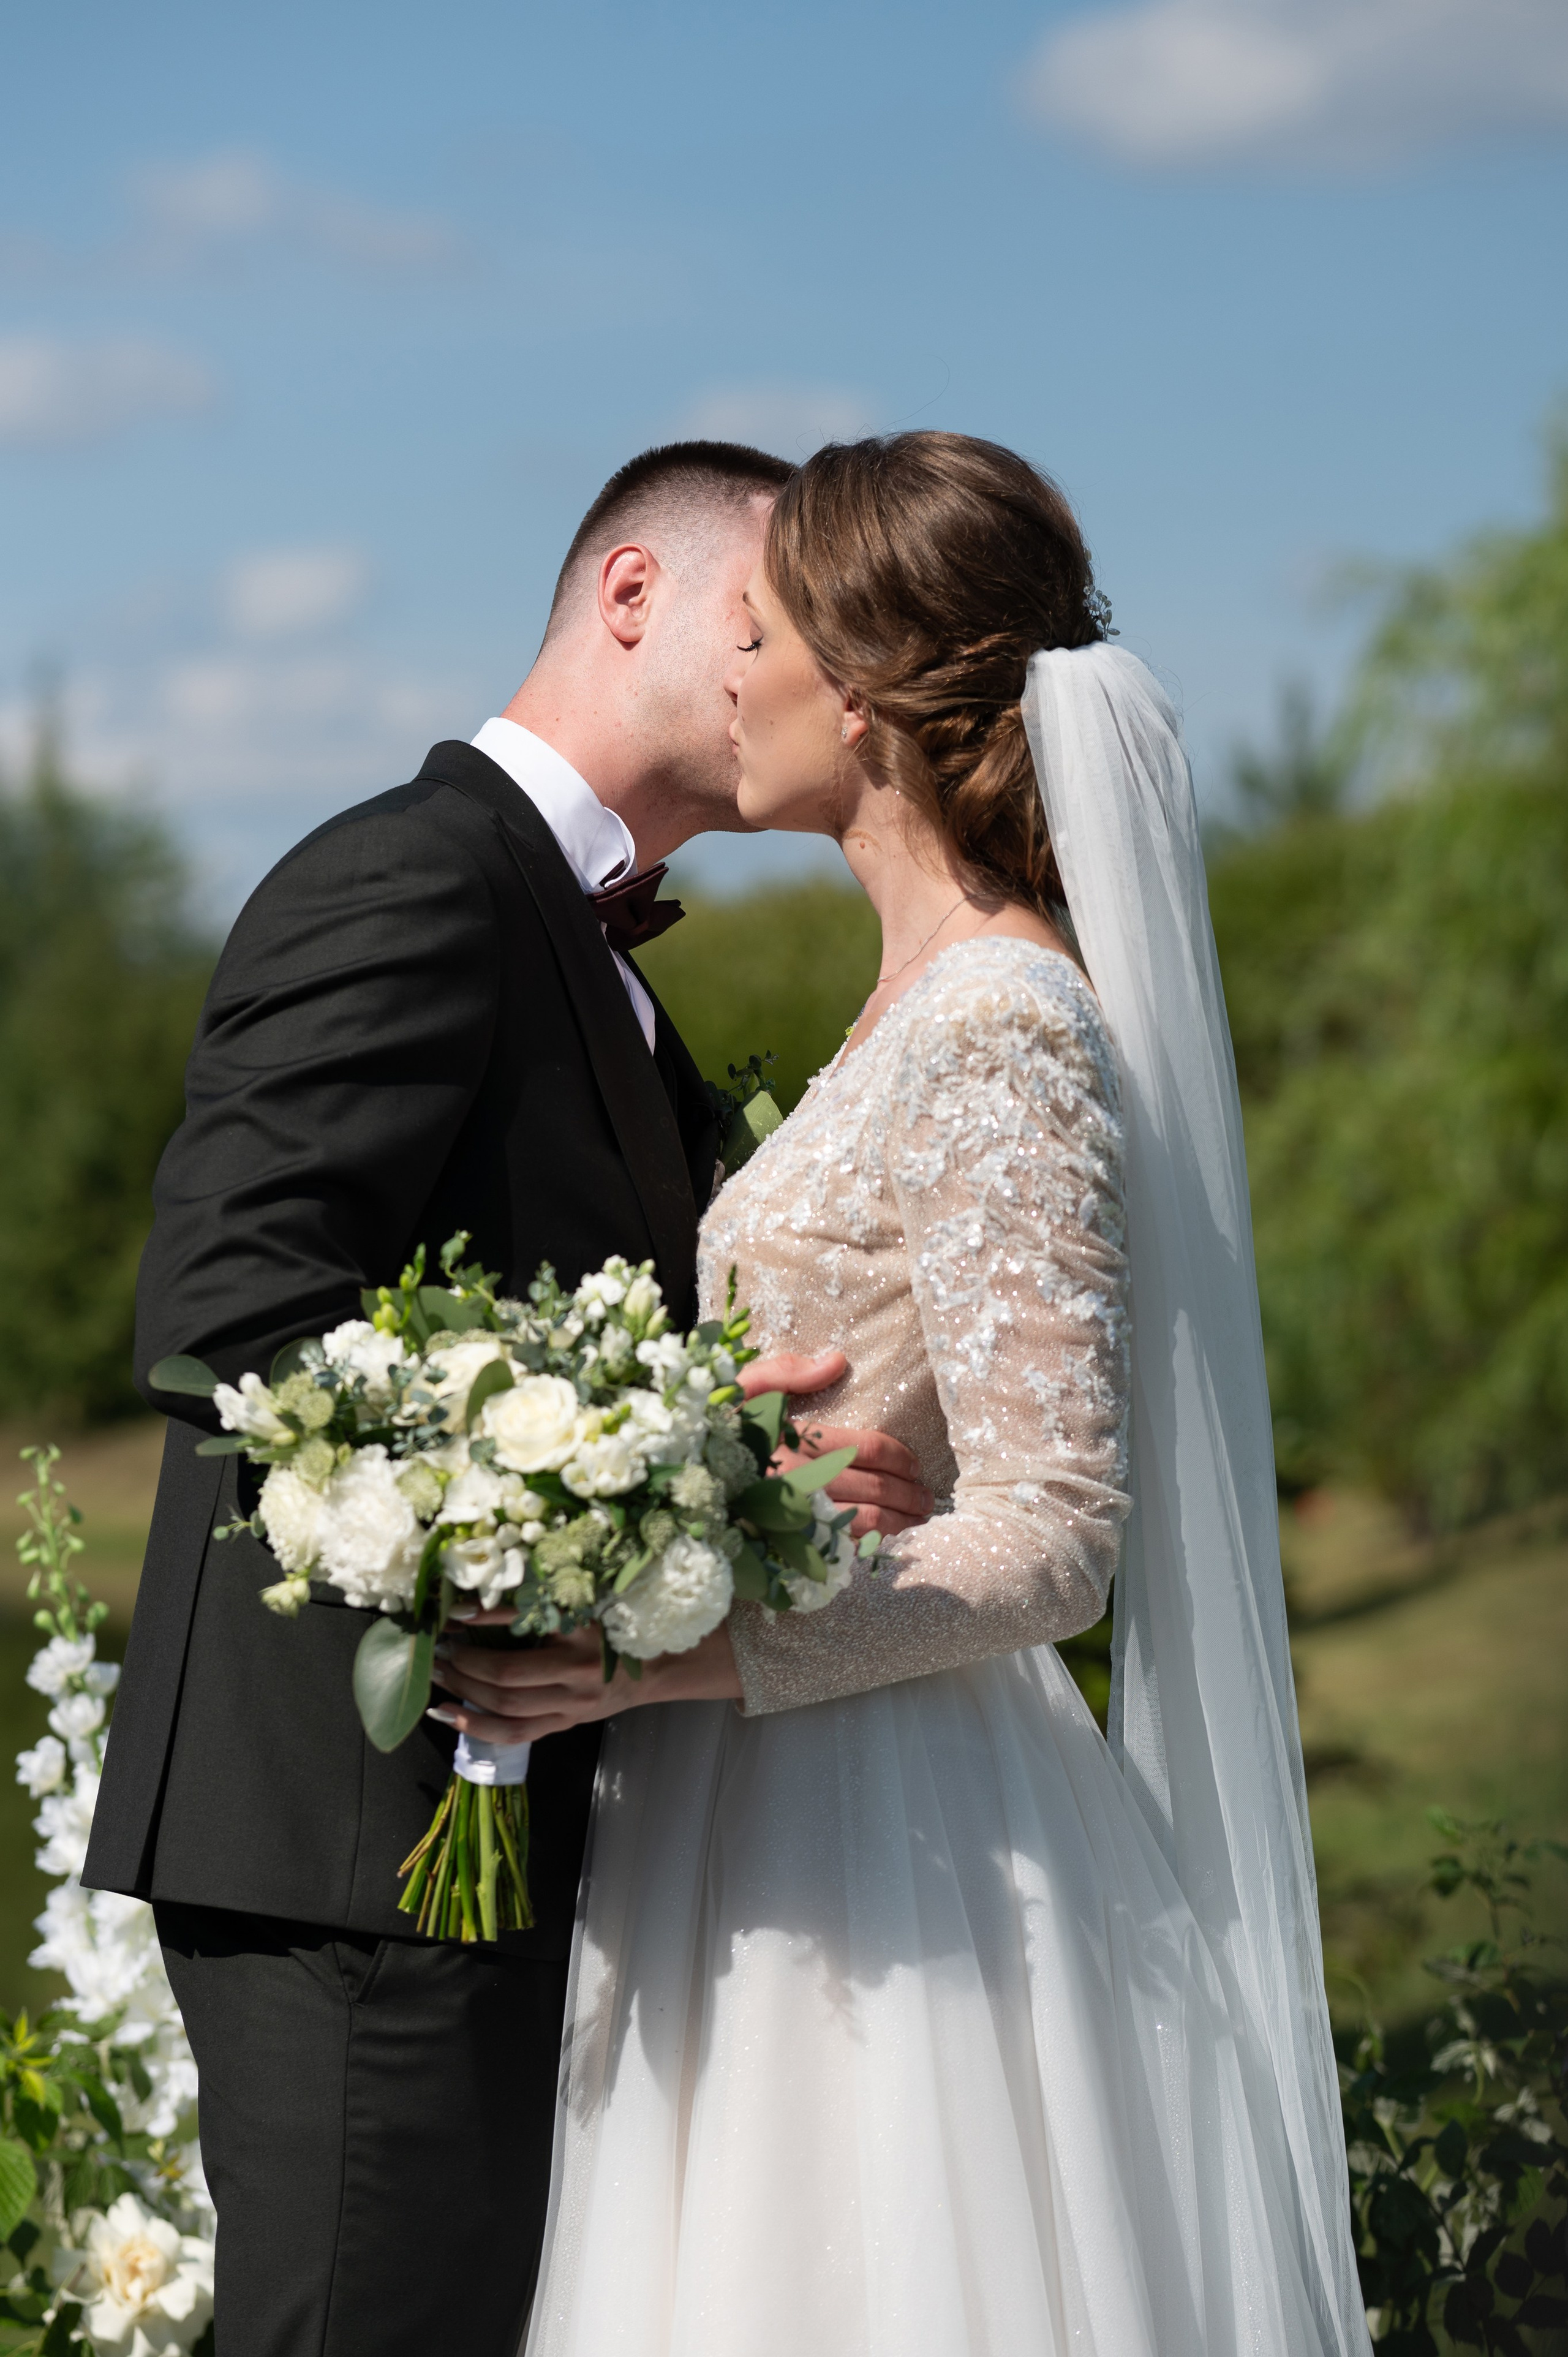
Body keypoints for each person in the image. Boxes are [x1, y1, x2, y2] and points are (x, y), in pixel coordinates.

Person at [436, 432, 1371, 2355]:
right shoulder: (911, 1001)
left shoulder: (1002, 1025)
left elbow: (1055, 1544)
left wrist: (661, 1661)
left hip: (890, 1836)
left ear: (855, 694)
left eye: (759, 632)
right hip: (760, 1782)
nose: (726, 678)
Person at [80, 439, 934, 2357]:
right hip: (355, 1834)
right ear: (631, 596)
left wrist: (729, 1461)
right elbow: (231, 1306)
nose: (812, 678)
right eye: (771, 625)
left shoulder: (596, 953)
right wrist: (549, 1526)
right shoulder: (410, 874)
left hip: (492, 1819)